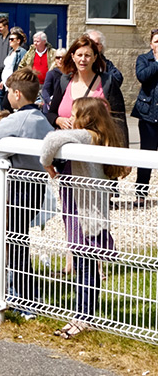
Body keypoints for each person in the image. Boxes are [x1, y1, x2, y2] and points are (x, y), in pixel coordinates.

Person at [41, 96, 133, 339]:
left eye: (74, 115)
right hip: (81, 210)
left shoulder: (87, 136)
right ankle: (83, 315)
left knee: (85, 266)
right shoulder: (96, 136)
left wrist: (46, 163)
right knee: (86, 265)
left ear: (88, 118)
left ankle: (82, 317)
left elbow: (52, 139)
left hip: (85, 213)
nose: (69, 119)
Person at [0, 68, 49, 315]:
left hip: (19, 187)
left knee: (15, 242)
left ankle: (26, 301)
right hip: (36, 185)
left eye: (8, 92)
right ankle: (22, 297)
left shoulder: (19, 119)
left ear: (17, 94)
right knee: (18, 240)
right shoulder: (42, 118)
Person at [46, 35, 128, 146]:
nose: (83, 59)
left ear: (95, 57)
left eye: (87, 55)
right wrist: (58, 120)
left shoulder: (107, 82)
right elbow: (51, 113)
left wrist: (122, 154)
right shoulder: (64, 81)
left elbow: (119, 122)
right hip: (65, 150)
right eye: (79, 55)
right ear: (73, 56)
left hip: (97, 149)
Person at [131, 29, 158, 204]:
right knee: (146, 156)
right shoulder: (144, 59)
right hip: (148, 115)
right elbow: (142, 76)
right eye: (157, 41)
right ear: (151, 44)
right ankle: (141, 194)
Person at [0, 27, 27, 106]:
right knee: (6, 105)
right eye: (9, 39)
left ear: (18, 41)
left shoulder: (22, 52)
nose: (10, 41)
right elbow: (8, 67)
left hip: (14, 83)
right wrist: (3, 81)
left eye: (12, 39)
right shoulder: (11, 51)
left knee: (7, 104)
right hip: (6, 83)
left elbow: (22, 68)